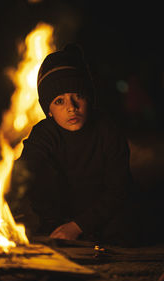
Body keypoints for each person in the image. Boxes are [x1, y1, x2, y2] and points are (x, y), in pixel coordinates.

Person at [18, 43, 135, 245]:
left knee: (124, 227)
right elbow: (26, 168)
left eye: (78, 96)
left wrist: (79, 226)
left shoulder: (107, 131)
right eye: (59, 101)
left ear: (89, 99)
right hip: (57, 221)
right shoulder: (44, 133)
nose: (71, 108)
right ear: (49, 111)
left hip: (104, 219)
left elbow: (119, 190)